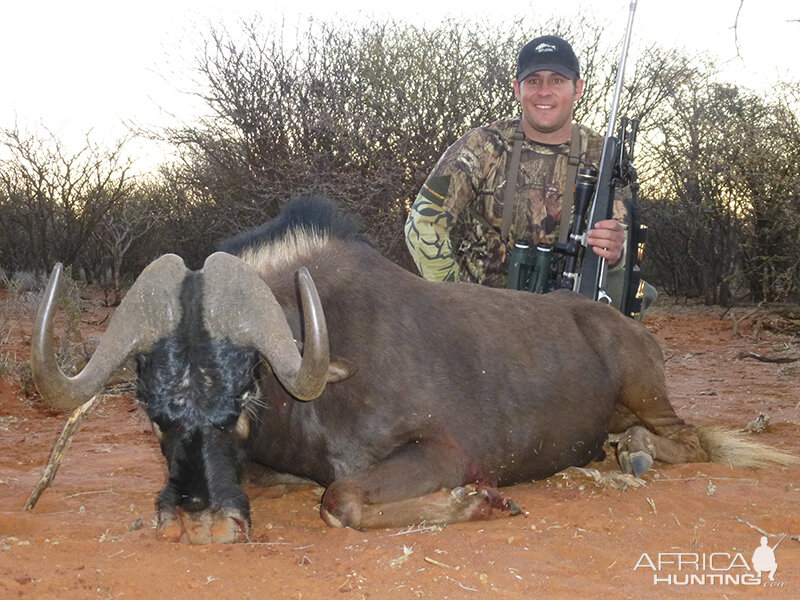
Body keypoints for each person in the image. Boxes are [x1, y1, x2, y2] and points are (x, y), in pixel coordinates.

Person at [405, 34, 652, 311]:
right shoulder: (482, 144)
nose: (544, 91)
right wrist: (454, 301)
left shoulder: (603, 158)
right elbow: (423, 223)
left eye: (557, 80)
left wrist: (617, 252)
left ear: (578, 88)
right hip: (480, 318)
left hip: (565, 318)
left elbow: (625, 244)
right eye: (533, 81)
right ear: (516, 88)